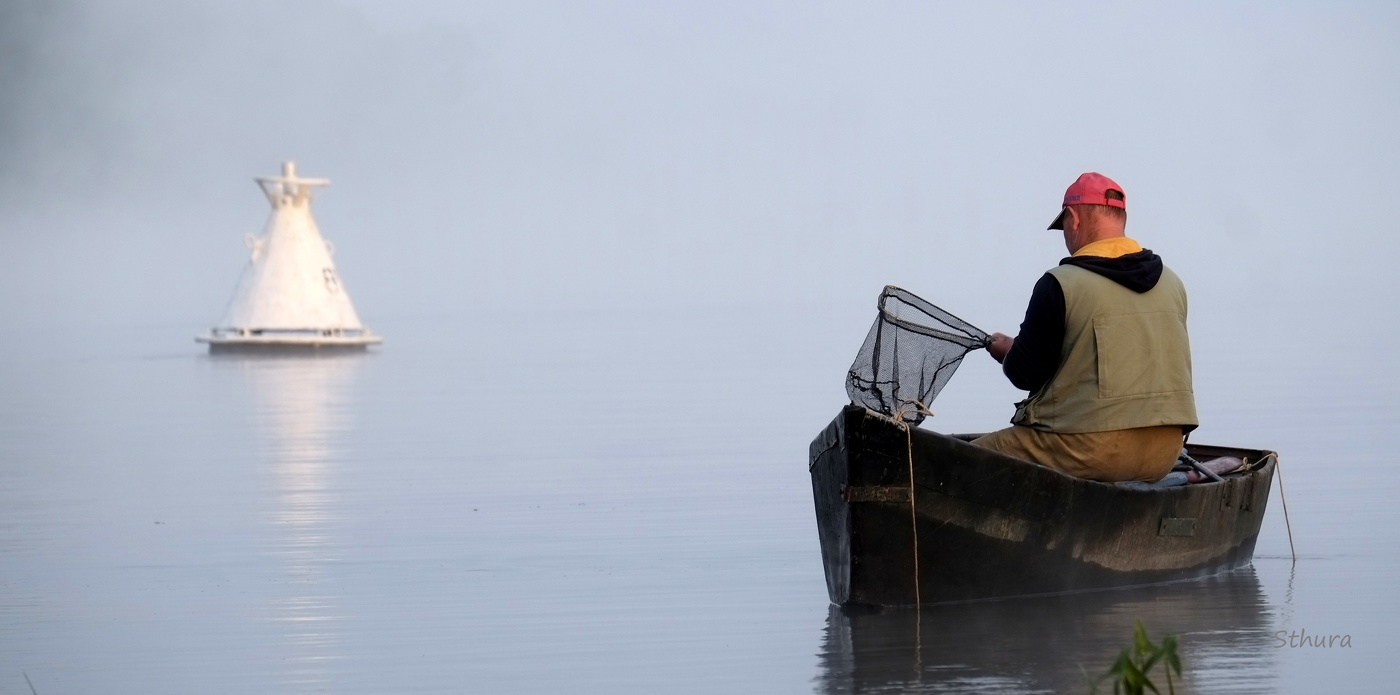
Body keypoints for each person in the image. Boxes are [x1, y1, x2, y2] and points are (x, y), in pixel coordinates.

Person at [972, 173, 1197, 482]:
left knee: (963, 461)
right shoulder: (1173, 283)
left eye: (1063, 225)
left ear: (1074, 219)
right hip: (1163, 452)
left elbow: (1024, 374)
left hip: (1089, 450)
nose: (1065, 235)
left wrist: (1007, 352)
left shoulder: (1059, 284)